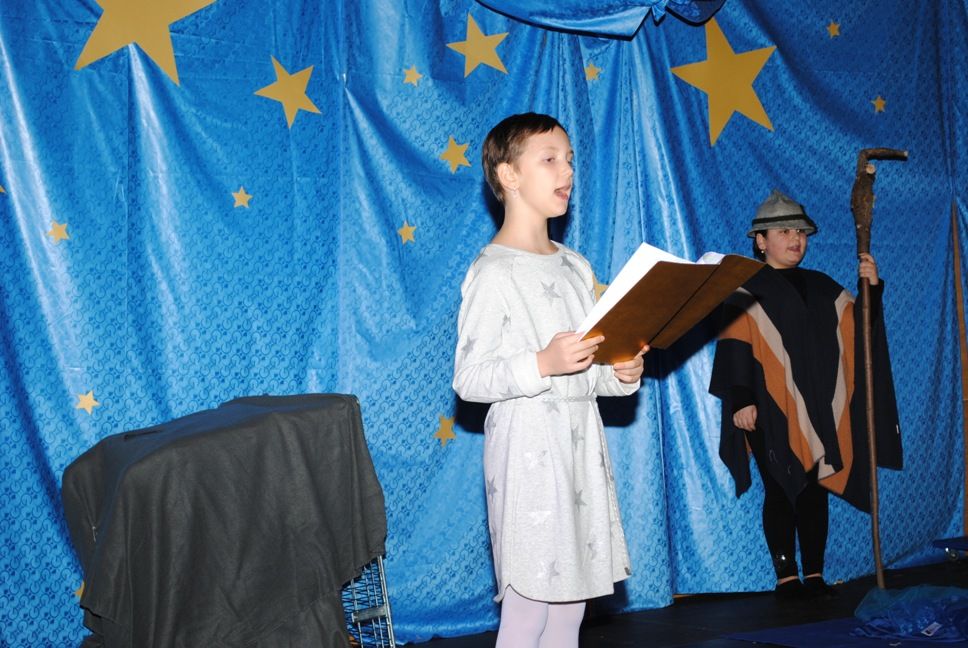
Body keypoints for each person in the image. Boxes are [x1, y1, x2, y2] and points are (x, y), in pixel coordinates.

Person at [452, 113, 648, 647]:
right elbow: (470, 379)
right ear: (508, 175)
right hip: (526, 453)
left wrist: (621, 373)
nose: (567, 171)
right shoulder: (494, 271)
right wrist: (541, 362)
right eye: (549, 159)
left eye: (570, 160)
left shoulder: (575, 266)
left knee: (569, 613)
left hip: (580, 450)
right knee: (528, 609)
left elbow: (586, 371)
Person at [709, 189, 902, 600]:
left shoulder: (823, 287)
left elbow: (859, 328)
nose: (795, 239)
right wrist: (741, 399)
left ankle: (814, 574)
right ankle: (786, 577)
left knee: (815, 488)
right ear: (761, 241)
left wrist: (871, 288)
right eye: (784, 231)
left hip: (818, 408)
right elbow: (736, 344)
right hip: (767, 408)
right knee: (781, 486)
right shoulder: (745, 289)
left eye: (800, 232)